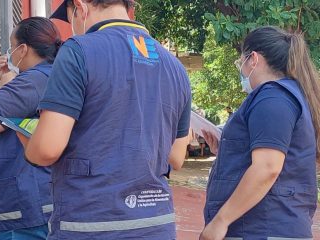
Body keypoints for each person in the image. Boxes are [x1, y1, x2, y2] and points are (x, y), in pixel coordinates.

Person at [17, 0, 191, 239]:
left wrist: (23, 135)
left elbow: (47, 149)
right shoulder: (175, 66)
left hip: (93, 223)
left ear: (80, 6)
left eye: (70, 17)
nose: (74, 25)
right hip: (156, 224)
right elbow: (176, 156)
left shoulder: (78, 50)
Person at [200, 26, 320, 239]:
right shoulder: (286, 96)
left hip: (262, 228)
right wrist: (226, 148)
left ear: (253, 59)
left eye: (241, 63)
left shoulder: (272, 98)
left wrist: (221, 221)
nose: (242, 71)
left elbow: (267, 167)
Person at [0, 17, 62, 240]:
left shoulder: (34, 81)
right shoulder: (55, 76)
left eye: (11, 46)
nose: (9, 52)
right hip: (39, 201)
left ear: (22, 49)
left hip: (23, 208)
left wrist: (9, 84)